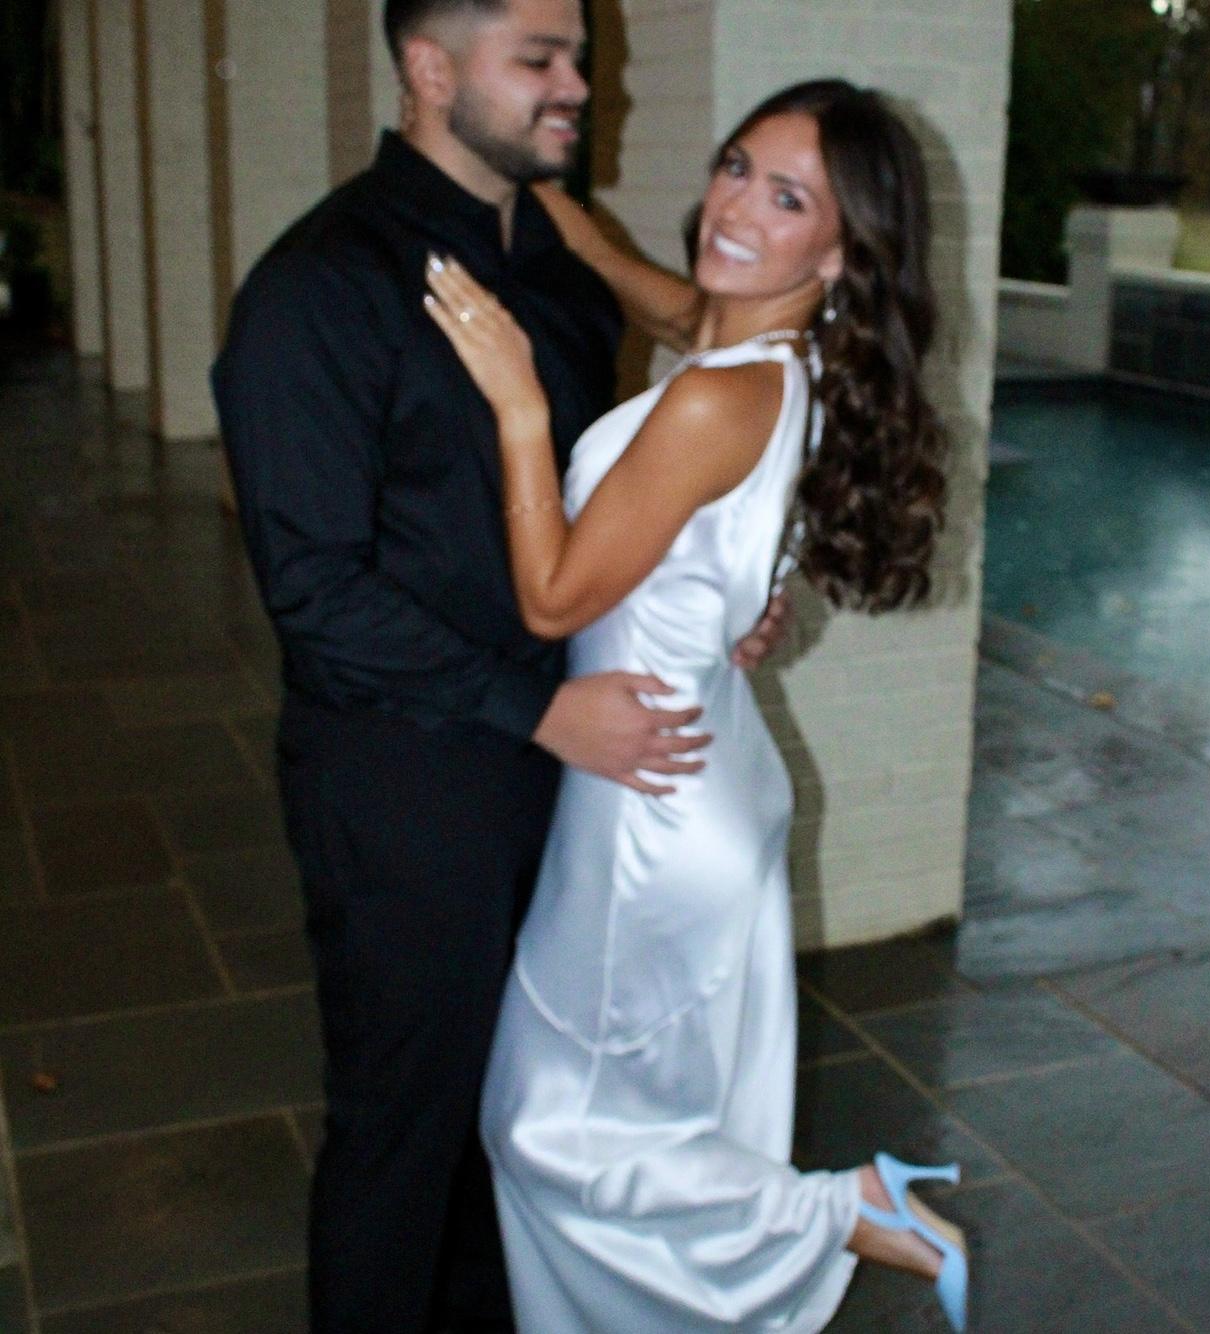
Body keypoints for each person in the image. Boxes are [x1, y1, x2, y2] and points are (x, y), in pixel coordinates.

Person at [210, 2, 789, 1330]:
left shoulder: (560, 269)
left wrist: (713, 604)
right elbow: (311, 590)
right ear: (427, 68)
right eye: (538, 59)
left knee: (514, 1119)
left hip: (565, 769)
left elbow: (591, 519)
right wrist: (536, 708)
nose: (577, 84)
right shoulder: (319, 286)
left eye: (579, 55)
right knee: (403, 1130)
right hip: (406, 778)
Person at [421, 78, 968, 1333]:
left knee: (541, 1124)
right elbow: (669, 299)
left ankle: (846, 1211)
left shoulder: (713, 397)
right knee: (645, 1117)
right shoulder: (778, 359)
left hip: (649, 812)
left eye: (785, 199)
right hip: (700, 773)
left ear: (836, 253)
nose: (732, 208)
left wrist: (518, 403)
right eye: (733, 167)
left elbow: (553, 598)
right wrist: (553, 205)